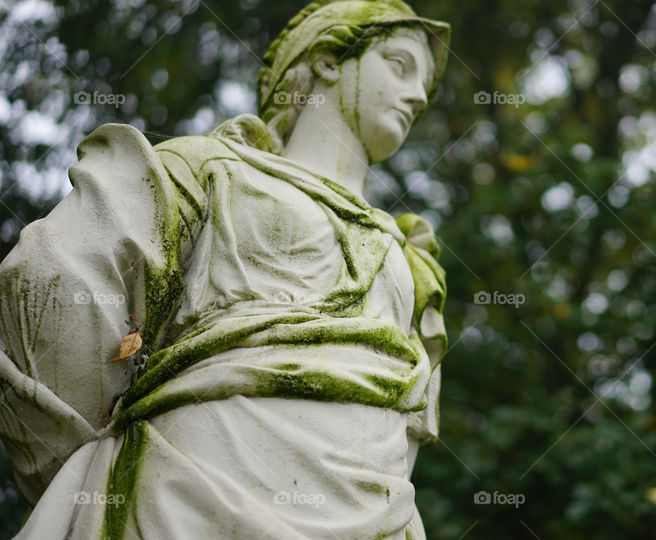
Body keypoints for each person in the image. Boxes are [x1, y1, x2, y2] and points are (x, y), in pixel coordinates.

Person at [0, 1, 451, 538]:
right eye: (399, 65)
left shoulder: (413, 259)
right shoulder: (212, 172)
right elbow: (56, 271)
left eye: (425, 85)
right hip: (196, 490)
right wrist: (84, 454)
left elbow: (411, 427)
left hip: (377, 515)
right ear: (328, 59)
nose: (419, 95)